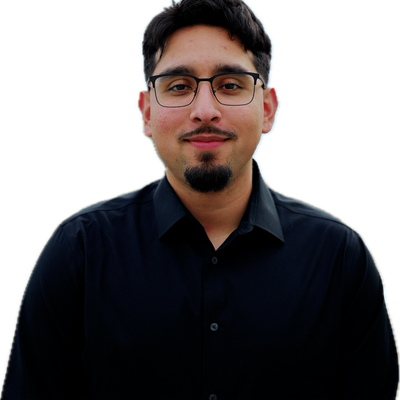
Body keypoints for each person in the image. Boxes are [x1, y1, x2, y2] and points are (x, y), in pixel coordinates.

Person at [1, 0, 399, 399]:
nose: (205, 111)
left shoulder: (339, 257)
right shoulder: (80, 252)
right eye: (179, 86)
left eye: (230, 85)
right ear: (146, 113)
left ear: (267, 109)